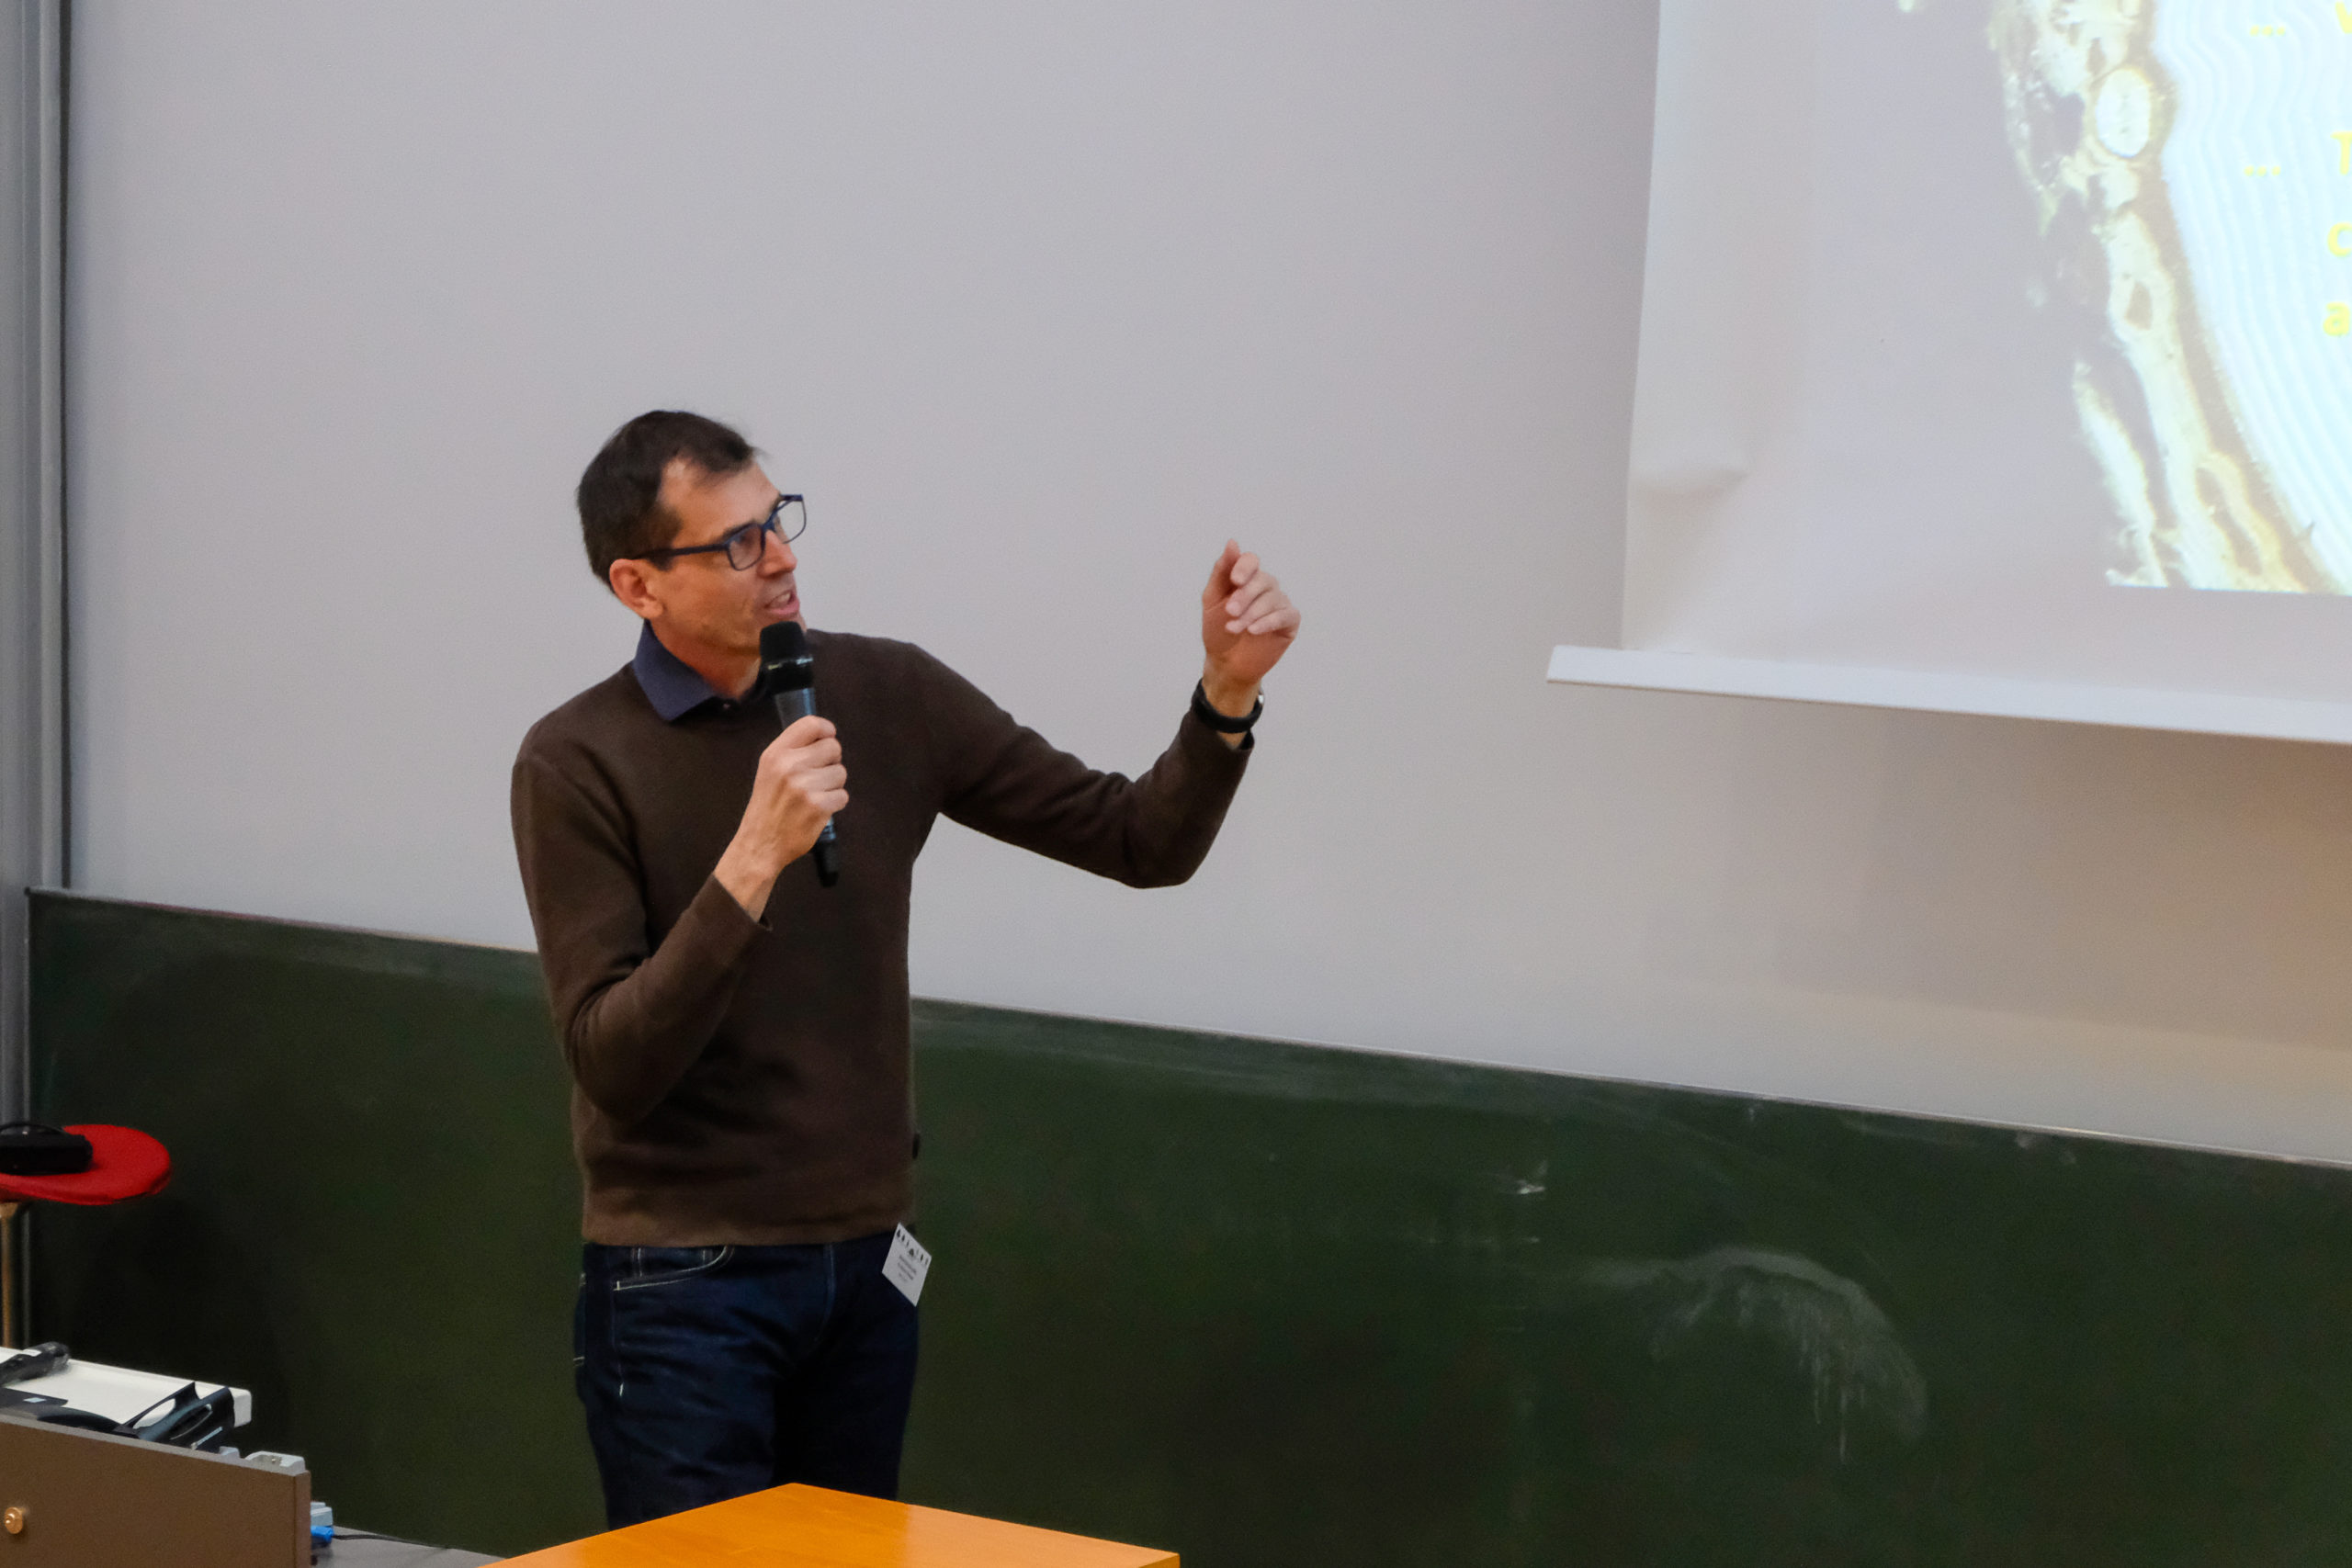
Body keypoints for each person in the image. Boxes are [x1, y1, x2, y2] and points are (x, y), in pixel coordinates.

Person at [509, 410, 1300, 1527]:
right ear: (638, 585)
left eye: (776, 519)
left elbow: (1138, 842)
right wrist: (752, 858)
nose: (780, 556)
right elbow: (613, 1062)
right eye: (734, 543)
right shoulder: (575, 758)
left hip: (866, 1266)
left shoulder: (889, 694)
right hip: (682, 1285)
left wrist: (1224, 696)